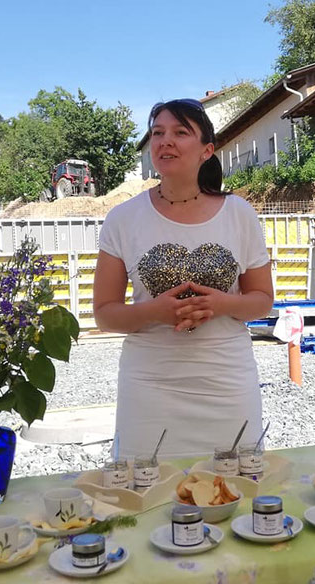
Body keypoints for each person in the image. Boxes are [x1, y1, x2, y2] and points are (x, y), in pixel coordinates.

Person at [92, 99, 274, 459]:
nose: (165, 141)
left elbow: (263, 300)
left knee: (234, 489)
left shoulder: (239, 214)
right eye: (157, 133)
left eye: (179, 132)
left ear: (207, 150)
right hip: (149, 385)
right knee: (145, 496)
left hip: (226, 382)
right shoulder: (123, 219)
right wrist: (154, 312)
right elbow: (104, 314)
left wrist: (222, 304)